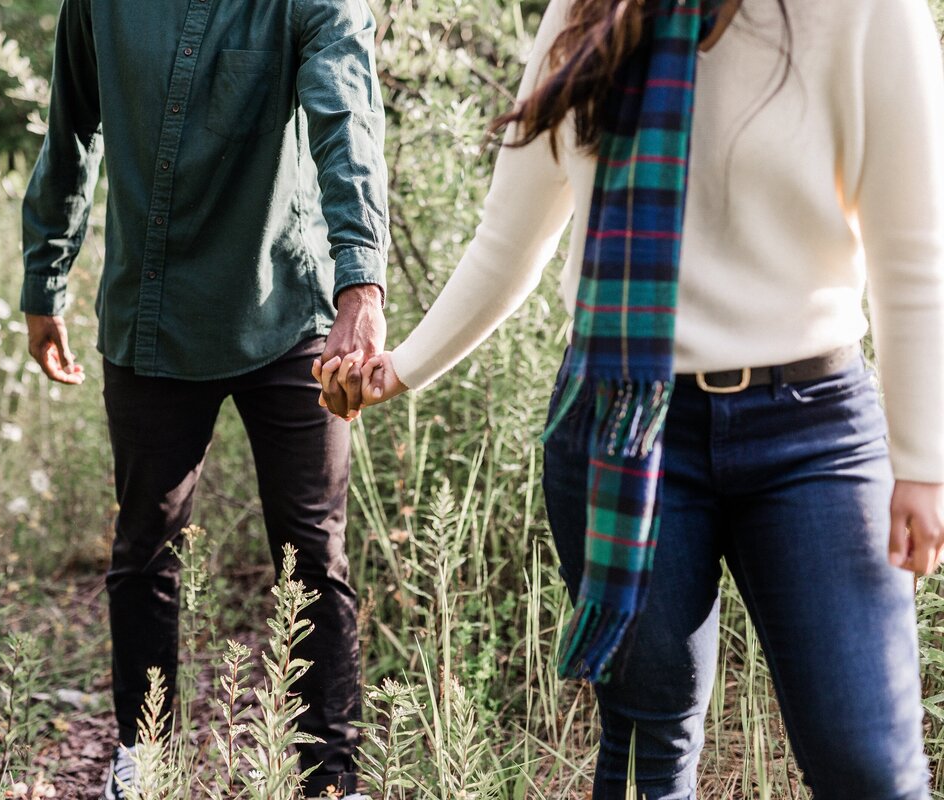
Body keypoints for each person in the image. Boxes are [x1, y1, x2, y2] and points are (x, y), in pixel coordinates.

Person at [321, 0, 944, 796]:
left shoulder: (865, 14)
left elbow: (914, 253)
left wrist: (924, 463)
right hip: (618, 426)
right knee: (650, 750)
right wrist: (401, 366)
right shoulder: (589, 13)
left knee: (871, 767)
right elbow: (509, 241)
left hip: (813, 432)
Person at [19, 0, 390, 796]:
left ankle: (330, 779)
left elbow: (346, 123)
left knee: (315, 554)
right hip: (153, 316)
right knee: (144, 546)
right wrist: (44, 277)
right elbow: (71, 127)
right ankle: (143, 761)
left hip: (291, 310)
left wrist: (361, 283)